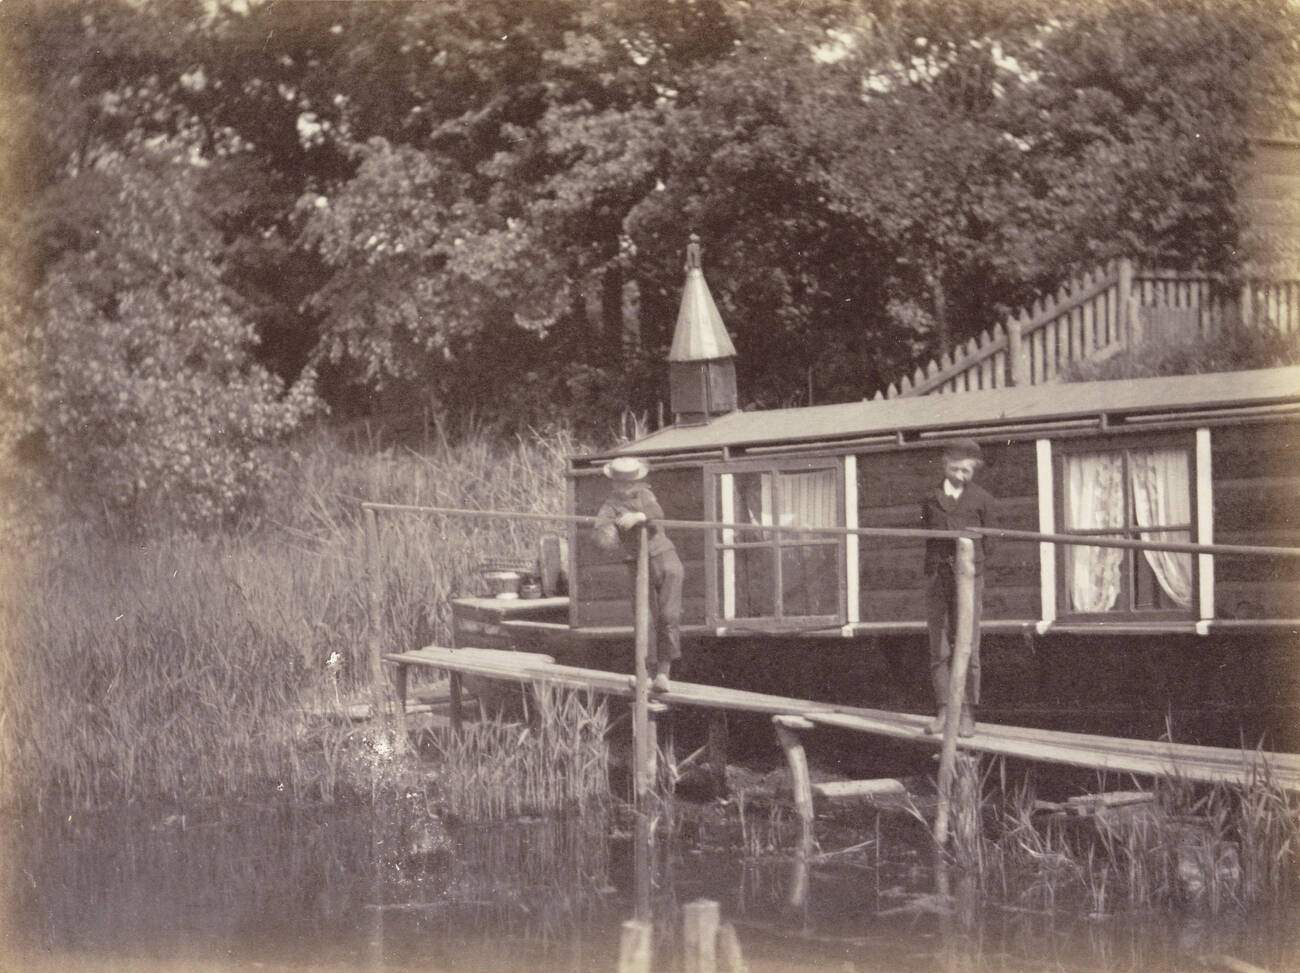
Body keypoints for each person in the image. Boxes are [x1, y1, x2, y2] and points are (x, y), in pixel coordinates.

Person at [920, 438, 996, 737]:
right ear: (944, 464)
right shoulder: (929, 498)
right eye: (955, 469)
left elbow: (990, 543)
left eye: (967, 471)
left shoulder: (983, 500)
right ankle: (943, 710)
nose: (960, 476)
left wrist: (972, 569)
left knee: (968, 645)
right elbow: (927, 535)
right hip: (937, 578)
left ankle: (966, 713)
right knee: (939, 645)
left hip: (969, 579)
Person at [594, 456, 685, 693]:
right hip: (637, 563)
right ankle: (644, 673)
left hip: (664, 559)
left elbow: (657, 512)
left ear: (636, 482)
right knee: (644, 619)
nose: (624, 487)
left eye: (628, 483)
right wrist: (609, 530)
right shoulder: (610, 504)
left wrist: (639, 517)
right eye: (619, 483)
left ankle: (664, 674)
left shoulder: (645, 495)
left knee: (668, 615)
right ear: (613, 483)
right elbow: (601, 534)